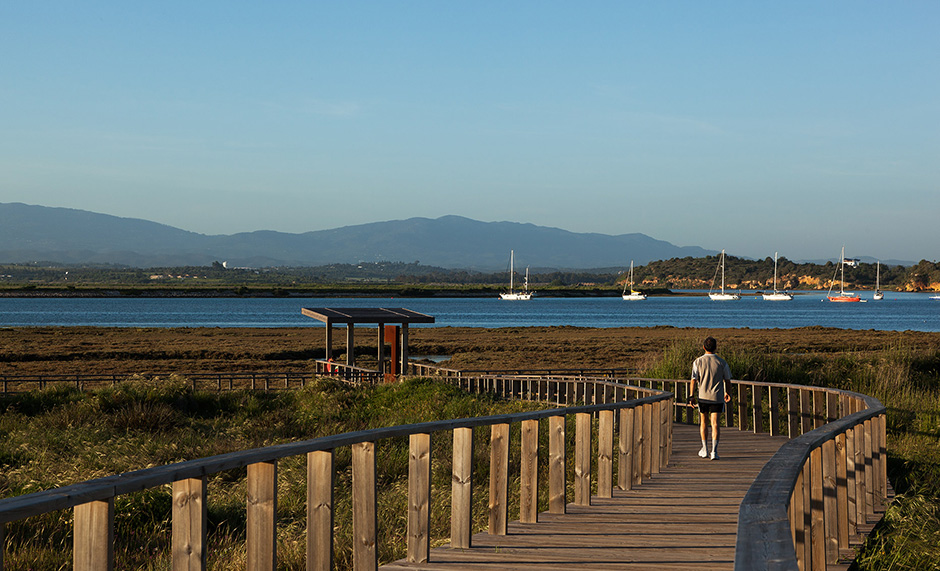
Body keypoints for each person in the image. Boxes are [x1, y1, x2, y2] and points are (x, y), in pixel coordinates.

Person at [688, 336, 732, 460]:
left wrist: (691, 396)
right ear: (715, 347)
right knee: (715, 424)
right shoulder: (722, 362)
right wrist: (728, 392)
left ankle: (705, 449)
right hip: (717, 397)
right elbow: (728, 380)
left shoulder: (698, 361)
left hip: (703, 396)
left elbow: (693, 380)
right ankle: (714, 451)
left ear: (703, 347)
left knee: (703, 422)